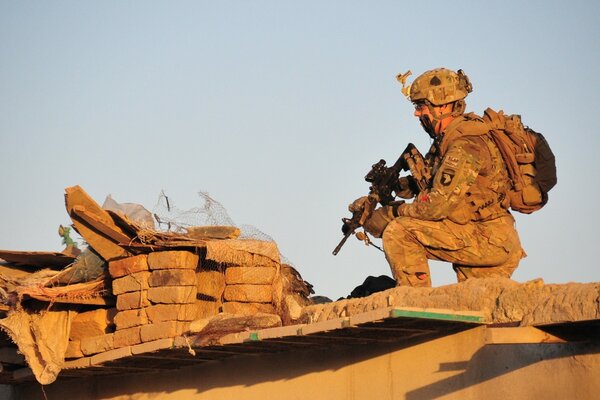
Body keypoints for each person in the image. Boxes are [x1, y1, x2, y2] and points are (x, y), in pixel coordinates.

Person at [354, 68, 525, 287]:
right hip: (486, 237)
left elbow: (434, 206)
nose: (417, 113)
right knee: (474, 308)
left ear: (443, 105)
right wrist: (391, 190)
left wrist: (391, 213)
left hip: (487, 238)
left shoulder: (465, 145)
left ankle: (413, 302)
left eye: (421, 106)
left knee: (400, 231)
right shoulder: (448, 141)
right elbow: (432, 183)